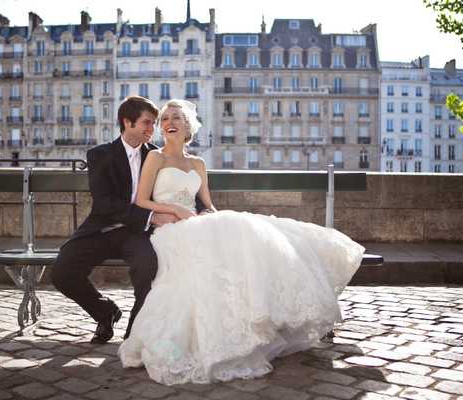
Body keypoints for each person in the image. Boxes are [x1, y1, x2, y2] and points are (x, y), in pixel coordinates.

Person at [119, 99, 366, 385]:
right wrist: (174, 210)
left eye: (176, 118)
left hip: (195, 222)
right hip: (169, 227)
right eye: (165, 119)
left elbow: (207, 204)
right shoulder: (156, 158)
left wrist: (210, 216)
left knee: (240, 228)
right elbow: (141, 200)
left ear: (187, 126)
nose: (169, 123)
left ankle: (252, 323)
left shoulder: (197, 163)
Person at [51, 96, 189, 344]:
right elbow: (104, 203)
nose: (152, 129)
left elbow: (180, 188)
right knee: (62, 271)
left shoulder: (157, 157)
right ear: (127, 122)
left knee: (148, 268)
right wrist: (151, 216)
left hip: (138, 234)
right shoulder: (99, 155)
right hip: (102, 229)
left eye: (153, 123)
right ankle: (105, 312)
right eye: (147, 123)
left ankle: (134, 336)